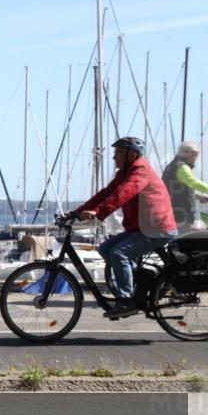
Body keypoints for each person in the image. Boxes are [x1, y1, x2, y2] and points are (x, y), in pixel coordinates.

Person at [71, 137, 177, 319]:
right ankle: (143, 277)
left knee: (119, 253)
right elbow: (105, 193)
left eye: (118, 152)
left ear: (132, 154)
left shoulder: (140, 170)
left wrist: (98, 212)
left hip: (157, 228)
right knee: (105, 249)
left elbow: (123, 194)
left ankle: (126, 300)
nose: (114, 157)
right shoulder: (124, 173)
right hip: (141, 228)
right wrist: (75, 212)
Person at [162, 140, 208, 233]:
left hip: (172, 213)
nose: (196, 157)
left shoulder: (172, 166)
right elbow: (193, 182)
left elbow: (177, 188)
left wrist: (197, 196)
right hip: (181, 215)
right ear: (189, 153)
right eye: (196, 154)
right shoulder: (181, 167)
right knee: (186, 243)